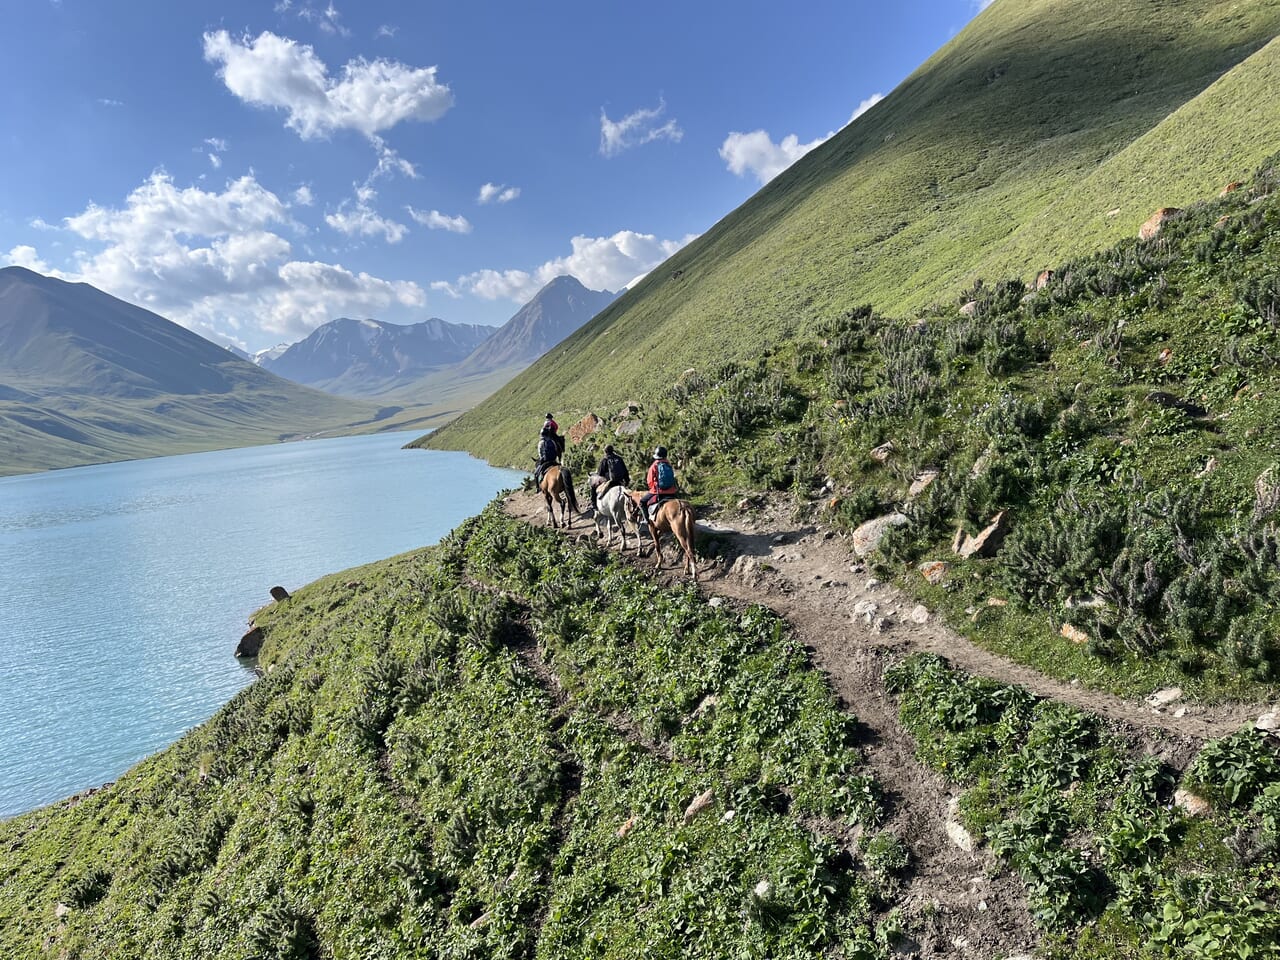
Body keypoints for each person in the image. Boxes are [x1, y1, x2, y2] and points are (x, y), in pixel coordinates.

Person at [640, 445, 678, 517]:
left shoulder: (654, 465)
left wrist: (653, 488)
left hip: (658, 492)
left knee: (642, 502)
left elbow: (650, 481)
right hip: (671, 491)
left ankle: (647, 521)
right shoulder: (668, 464)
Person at [591, 444, 630, 510]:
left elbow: (600, 474)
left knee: (593, 487)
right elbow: (625, 471)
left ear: (605, 452)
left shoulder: (604, 460)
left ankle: (594, 505)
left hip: (610, 482)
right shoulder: (619, 458)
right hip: (620, 481)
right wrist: (626, 482)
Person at [533, 416, 561, 487]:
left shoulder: (541, 442)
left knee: (536, 474)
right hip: (553, 458)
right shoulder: (552, 441)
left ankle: (537, 487)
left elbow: (540, 453)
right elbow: (555, 449)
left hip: (546, 459)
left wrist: (542, 458)